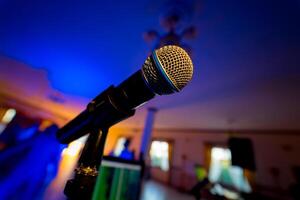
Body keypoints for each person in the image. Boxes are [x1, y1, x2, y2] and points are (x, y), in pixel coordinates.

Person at [0, 124, 65, 200]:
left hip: (23, 168)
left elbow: (17, 148)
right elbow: (55, 162)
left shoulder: (39, 137)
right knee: (25, 194)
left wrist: (3, 155)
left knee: (7, 185)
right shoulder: (55, 145)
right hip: (37, 174)